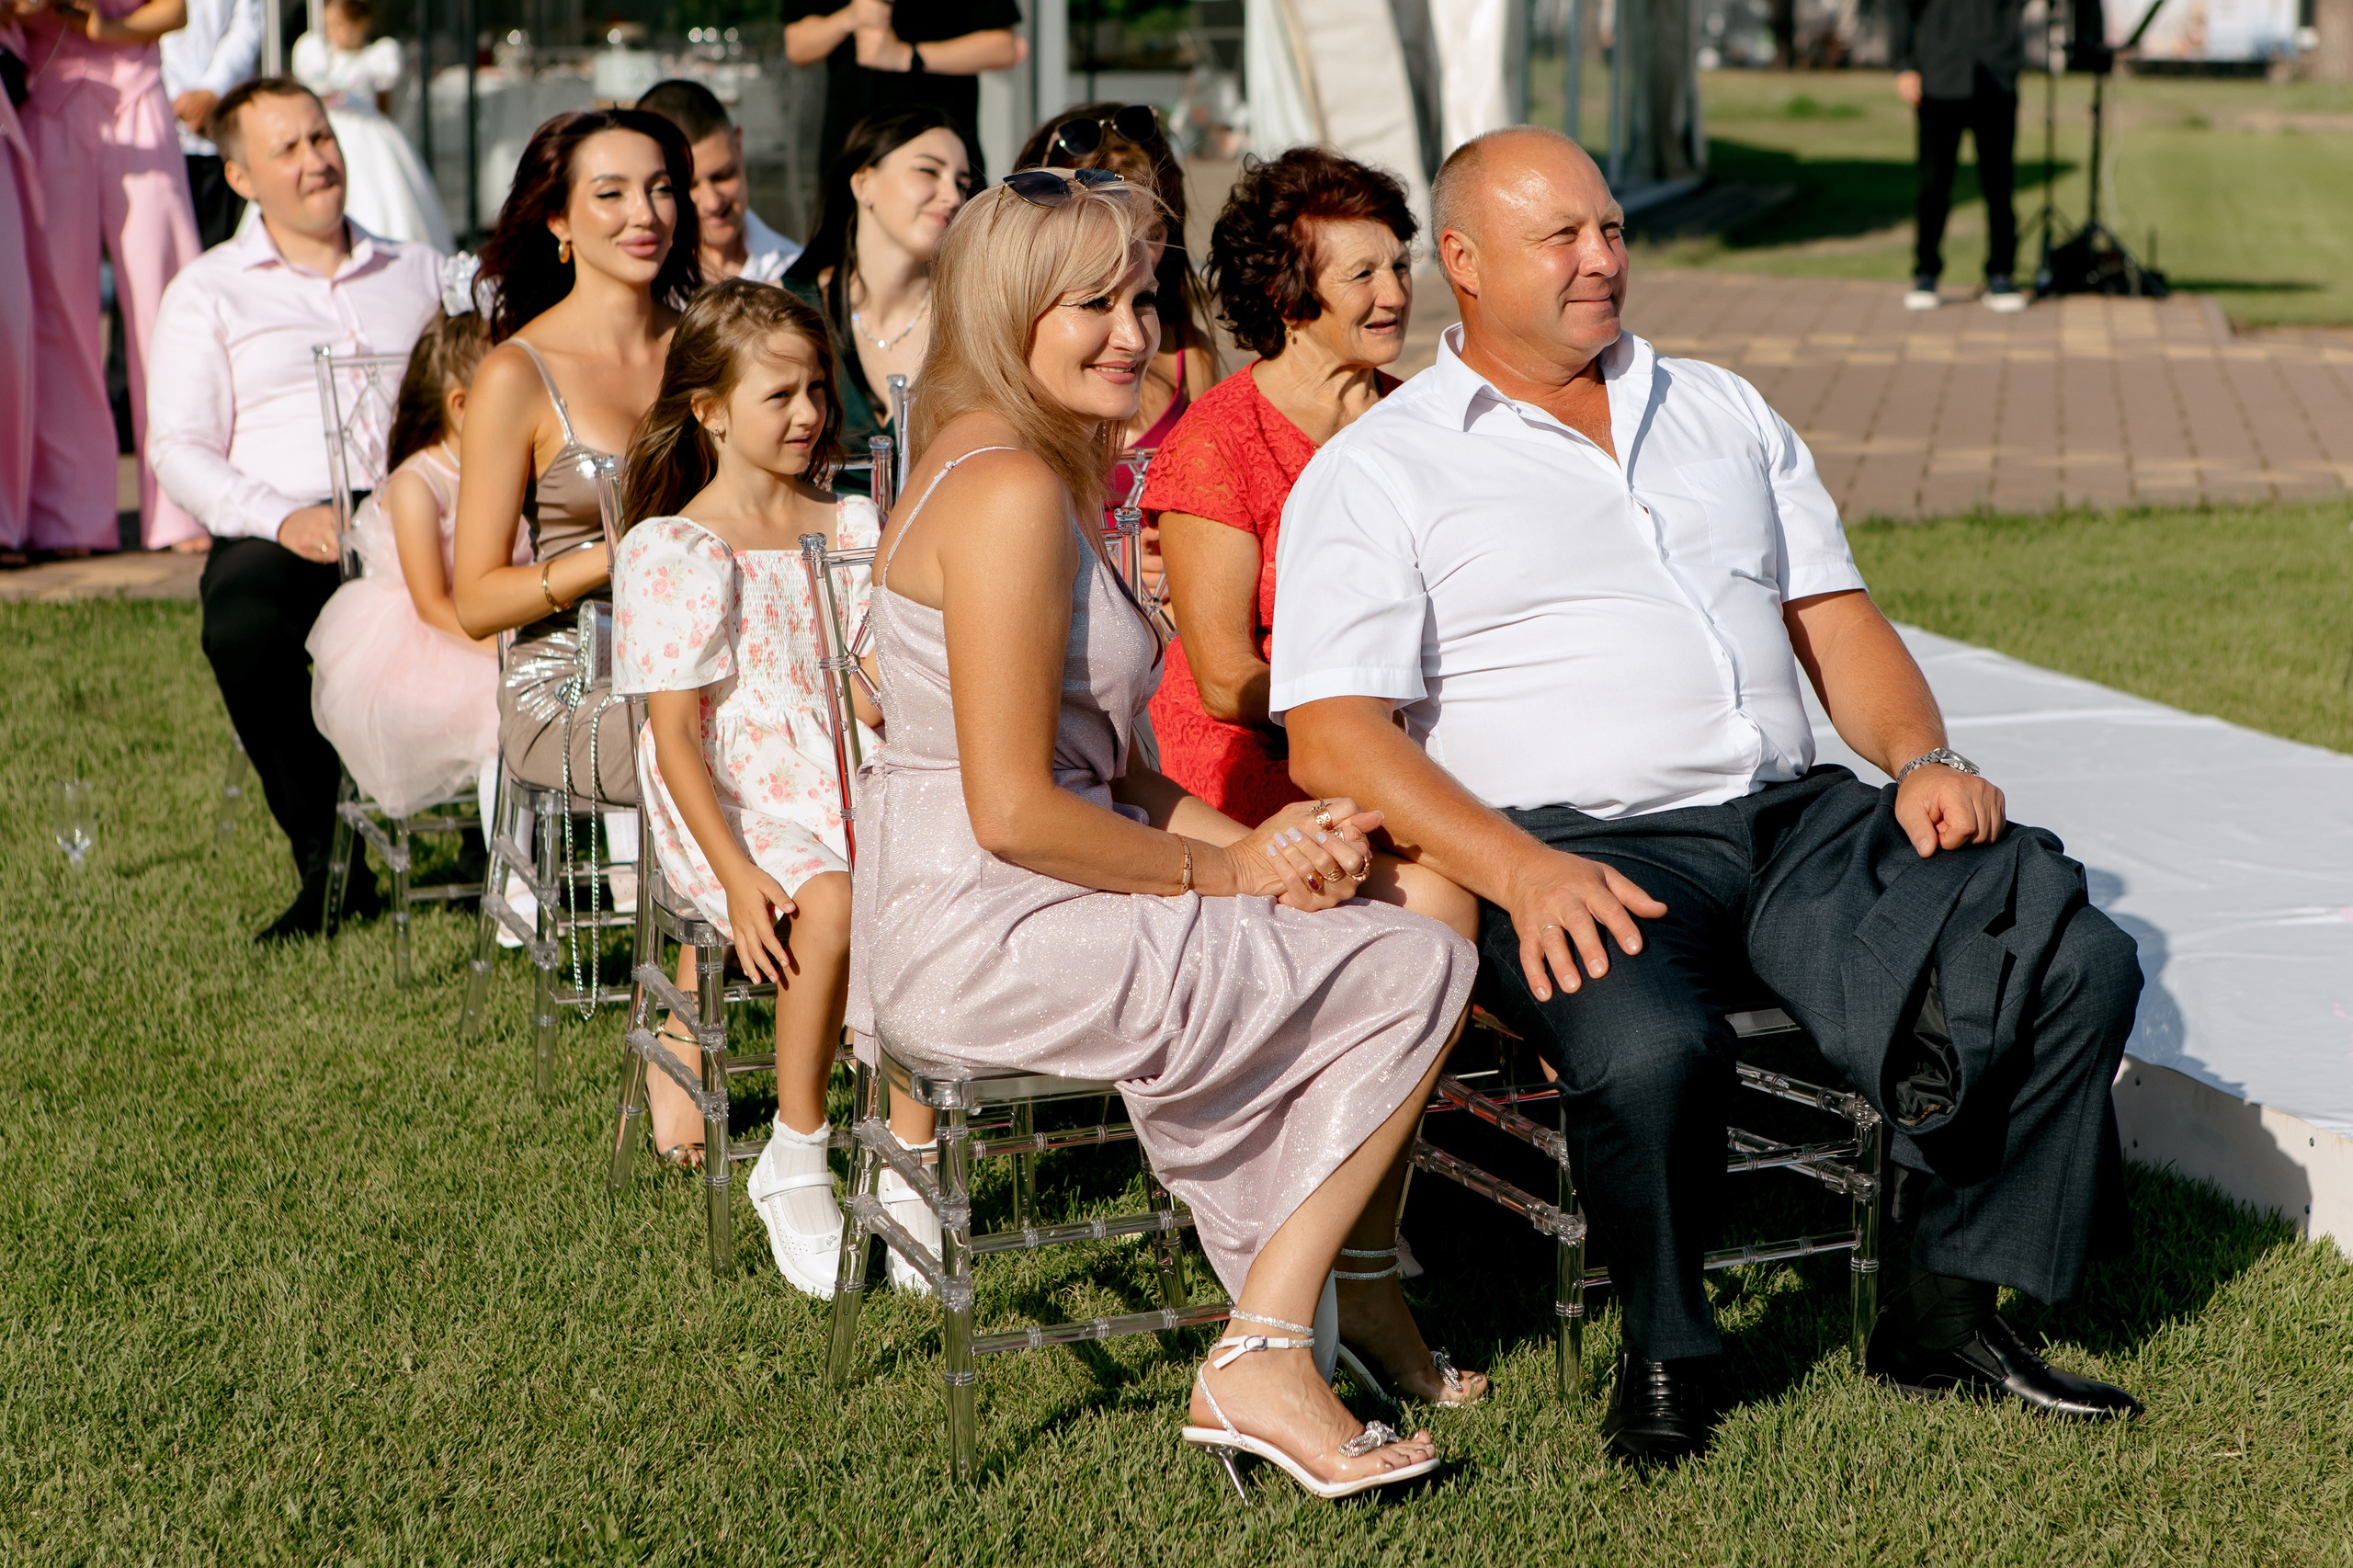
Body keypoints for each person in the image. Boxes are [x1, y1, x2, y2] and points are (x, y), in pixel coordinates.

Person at [1277, 127, 2146, 1468]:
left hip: (1792, 819)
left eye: (1612, 228)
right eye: (1560, 235)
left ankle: (1944, 1308)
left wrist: (1919, 758)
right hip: (1569, 844)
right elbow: (1334, 734)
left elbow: (1836, 620)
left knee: (2067, 949)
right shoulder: (1383, 467)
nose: (1602, 257)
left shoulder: (1721, 409)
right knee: (1651, 1047)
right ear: (1462, 260)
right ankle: (1669, 1350)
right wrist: (1514, 871)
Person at [851, 167, 1483, 1499]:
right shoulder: (1011, 489)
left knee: (1406, 906)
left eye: (1141, 296)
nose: (1133, 332)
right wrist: (1230, 868)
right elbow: (1016, 807)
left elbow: (1124, 776)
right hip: (985, 932)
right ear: (1007, 309)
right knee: (1417, 961)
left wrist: (1279, 846)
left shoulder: (1020, 460)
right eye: (1089, 304)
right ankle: (1266, 1340)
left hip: (1022, 897)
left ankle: (1334, 1298)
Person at [613, 279, 904, 1294]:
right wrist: (736, 875)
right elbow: (676, 737)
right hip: (734, 792)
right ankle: (799, 1148)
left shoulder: (853, 519)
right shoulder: (676, 545)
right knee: (824, 897)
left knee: (924, 876)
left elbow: (871, 689)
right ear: (710, 407)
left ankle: (908, 1151)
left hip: (845, 760)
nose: (810, 414)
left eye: (819, 389)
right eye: (779, 394)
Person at [449, 108, 699, 1147]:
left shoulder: (711, 342)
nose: (644, 214)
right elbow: (475, 601)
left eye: (660, 188)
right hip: (571, 676)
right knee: (730, 749)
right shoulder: (519, 372)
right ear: (558, 220)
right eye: (611, 193)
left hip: (709, 651)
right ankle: (685, 1029)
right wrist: (614, 556)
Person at [148, 76, 440, 937]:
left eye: (322, 138)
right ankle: (329, 855)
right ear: (239, 178)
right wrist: (281, 516)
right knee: (241, 622)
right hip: (283, 517)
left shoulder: (419, 270)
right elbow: (177, 448)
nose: (318, 162)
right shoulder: (209, 290)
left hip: (418, 510)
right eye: (289, 149)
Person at [1141, 146, 1415, 829]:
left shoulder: (1423, 422)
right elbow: (1225, 680)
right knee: (1442, 887)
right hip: (1250, 763)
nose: (1397, 295)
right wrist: (1365, 714)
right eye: (1364, 275)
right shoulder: (1218, 442)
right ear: (1287, 295)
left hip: (1392, 740)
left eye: (1400, 267)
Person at [308, 274, 519, 824]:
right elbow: (431, 603)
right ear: (461, 404)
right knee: (502, 720)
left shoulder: (516, 469)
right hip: (437, 638)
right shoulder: (419, 486)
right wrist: (506, 645)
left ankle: (615, 881)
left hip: (503, 620)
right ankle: (513, 878)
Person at [17, 0, 205, 552]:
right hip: (51, 92)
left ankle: (183, 503)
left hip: (139, 96)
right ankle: (72, 514)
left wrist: (105, 25)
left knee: (165, 300)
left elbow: (175, 11)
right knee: (60, 314)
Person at [1014, 102, 1218, 481]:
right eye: (1109, 232)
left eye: (1152, 234)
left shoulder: (1189, 355)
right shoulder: (1004, 356)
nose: (1130, 256)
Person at [779, 104, 969, 482]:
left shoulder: (971, 318)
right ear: (863, 183)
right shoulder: (787, 310)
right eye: (928, 171)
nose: (952, 196)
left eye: (962, 182)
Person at [781, 0, 1022, 183]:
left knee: (951, 245)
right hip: (851, 150)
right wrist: (851, 15)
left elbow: (1005, 47)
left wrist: (907, 56)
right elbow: (797, 45)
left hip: (942, 150)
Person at [1892, 0, 2027, 312]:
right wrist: (1903, 64)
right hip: (1940, 74)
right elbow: (1900, 6)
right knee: (1933, 182)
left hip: (1996, 76)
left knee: (1999, 183)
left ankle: (2001, 274)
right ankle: (1926, 272)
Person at [290, 0, 451, 250]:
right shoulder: (316, 54)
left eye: (339, 25)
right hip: (328, 129)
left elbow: (379, 92)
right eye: (328, 26)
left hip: (367, 134)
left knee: (382, 200)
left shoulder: (379, 57)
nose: (332, 33)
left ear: (361, 25)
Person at [636, 77, 802, 283]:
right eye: (690, 186)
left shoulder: (799, 273)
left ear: (739, 146)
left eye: (723, 175)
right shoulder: (641, 286)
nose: (712, 202)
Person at [159, 0, 261, 248]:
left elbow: (249, 24)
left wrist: (212, 91)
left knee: (220, 244)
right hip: (160, 125)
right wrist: (175, 97)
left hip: (219, 128)